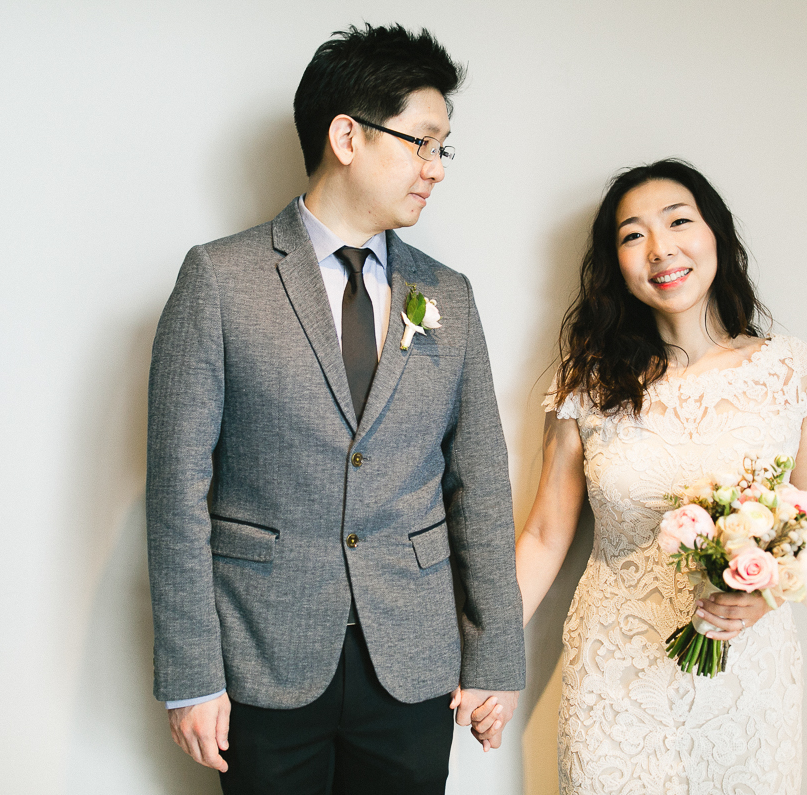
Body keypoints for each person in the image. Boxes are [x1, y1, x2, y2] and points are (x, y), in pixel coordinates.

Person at [144, 24, 525, 794]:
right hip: (263, 652)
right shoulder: (219, 280)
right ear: (346, 136)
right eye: (421, 143)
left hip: (413, 661)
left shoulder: (445, 293)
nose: (435, 170)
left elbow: (479, 484)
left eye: (442, 149)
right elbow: (176, 488)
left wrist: (496, 658)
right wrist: (191, 674)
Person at [496, 159, 807, 793]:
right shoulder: (588, 386)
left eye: (679, 221)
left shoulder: (794, 374)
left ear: (717, 235)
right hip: (615, 679)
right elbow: (545, 536)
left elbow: (806, 529)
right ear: (616, 267)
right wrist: (488, 654)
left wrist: (760, 596)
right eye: (632, 235)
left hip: (744, 679)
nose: (660, 248)